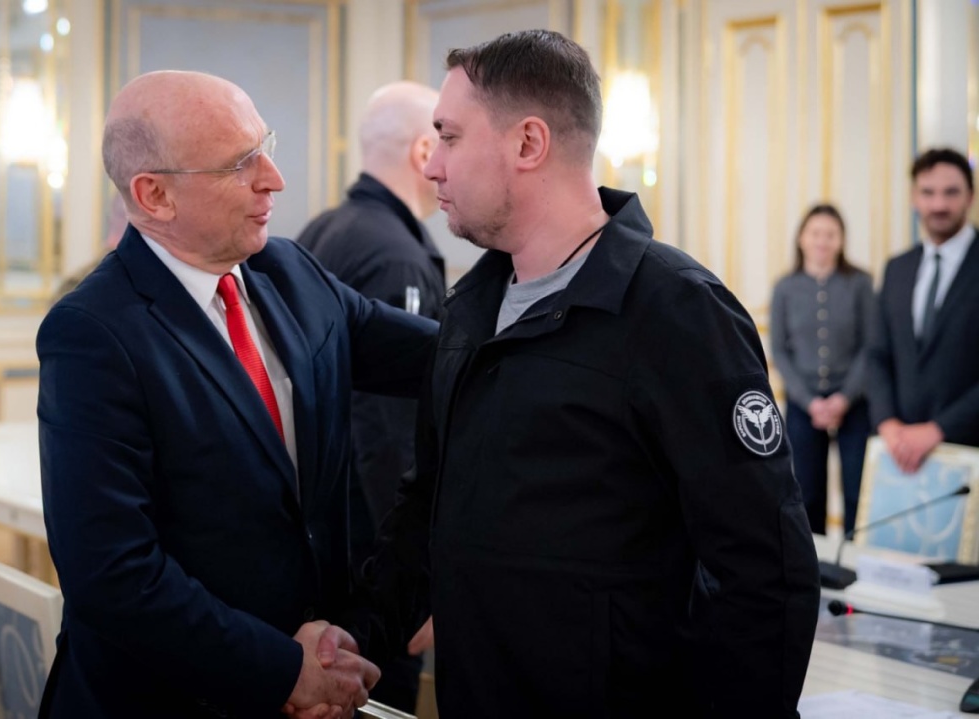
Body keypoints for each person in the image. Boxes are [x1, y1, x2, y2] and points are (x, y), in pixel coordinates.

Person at [352, 29, 821, 718]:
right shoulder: (471, 308)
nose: (434, 167)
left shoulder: (677, 311)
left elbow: (765, 569)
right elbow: (427, 508)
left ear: (528, 143)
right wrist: (357, 640)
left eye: (449, 137)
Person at [36, 70, 438, 719]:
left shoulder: (289, 271)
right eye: (238, 164)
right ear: (155, 195)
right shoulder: (93, 331)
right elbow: (112, 573)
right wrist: (283, 670)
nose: (273, 179)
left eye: (265, 147)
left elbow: (435, 356)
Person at [296, 80, 444, 712]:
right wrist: (409, 584)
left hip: (320, 540)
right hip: (368, 561)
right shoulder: (397, 260)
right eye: (448, 139)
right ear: (422, 152)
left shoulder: (323, 230)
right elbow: (388, 434)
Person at [868, 147, 979, 473]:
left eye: (951, 192)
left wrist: (938, 429)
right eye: (928, 193)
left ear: (971, 197)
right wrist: (887, 422)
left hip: (970, 452)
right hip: (899, 452)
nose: (939, 205)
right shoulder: (897, 268)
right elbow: (877, 354)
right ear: (914, 198)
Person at [770, 204, 875, 534]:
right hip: (804, 404)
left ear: (841, 240)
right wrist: (810, 401)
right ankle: (813, 558)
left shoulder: (860, 283)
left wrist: (844, 398)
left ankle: (853, 555)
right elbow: (780, 351)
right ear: (801, 238)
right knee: (807, 492)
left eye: (831, 234)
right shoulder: (785, 287)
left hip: (854, 402)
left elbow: (869, 346)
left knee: (857, 490)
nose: (822, 241)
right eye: (815, 233)